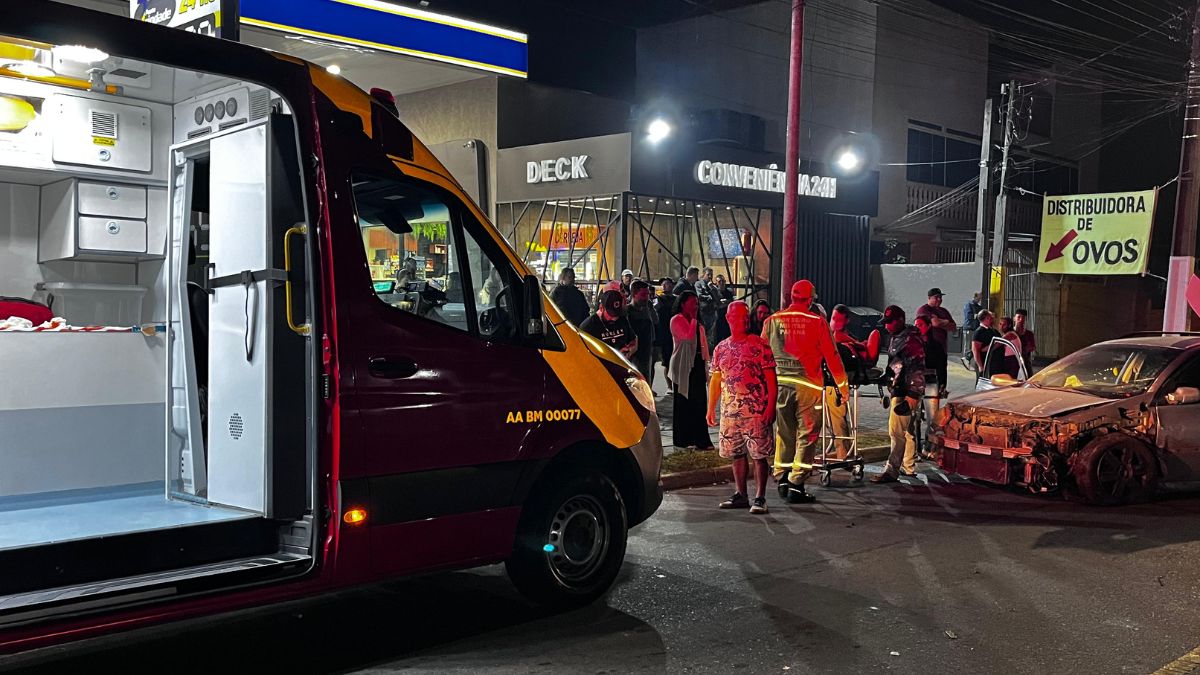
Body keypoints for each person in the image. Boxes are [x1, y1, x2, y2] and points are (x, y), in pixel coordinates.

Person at [761, 280, 848, 503]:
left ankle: (782, 476)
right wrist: (842, 386)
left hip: (780, 385)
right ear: (810, 300)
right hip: (808, 386)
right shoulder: (817, 322)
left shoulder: (772, 321)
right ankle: (796, 483)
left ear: (791, 297)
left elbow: (761, 354)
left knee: (784, 433)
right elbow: (832, 356)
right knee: (807, 435)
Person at [707, 301, 777, 514]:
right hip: (730, 412)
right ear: (729, 318)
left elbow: (771, 379)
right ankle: (741, 494)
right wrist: (711, 408)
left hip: (755, 411)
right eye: (740, 317)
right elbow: (716, 380)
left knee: (759, 455)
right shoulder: (721, 348)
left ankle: (760, 497)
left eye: (746, 317)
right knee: (736, 454)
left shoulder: (759, 345)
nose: (745, 321)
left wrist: (770, 407)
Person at [871, 305, 925, 483]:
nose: (887, 326)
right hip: (900, 389)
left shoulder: (910, 340)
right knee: (907, 432)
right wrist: (887, 377)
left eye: (890, 322)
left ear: (900, 320)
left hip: (905, 391)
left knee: (896, 432)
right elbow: (896, 363)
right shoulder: (897, 337)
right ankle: (908, 466)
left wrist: (912, 396)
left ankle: (891, 470)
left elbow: (917, 368)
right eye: (885, 322)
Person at [670, 290, 713, 450]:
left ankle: (701, 439)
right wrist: (693, 319)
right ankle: (683, 438)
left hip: (698, 363)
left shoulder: (698, 323)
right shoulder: (677, 320)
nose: (695, 305)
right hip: (683, 364)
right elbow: (687, 338)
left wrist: (707, 361)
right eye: (692, 302)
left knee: (699, 401)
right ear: (683, 304)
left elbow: (703, 344)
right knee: (683, 402)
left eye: (697, 303)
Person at [914, 315, 946, 451]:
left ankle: (929, 446)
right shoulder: (912, 343)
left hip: (931, 381)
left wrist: (943, 384)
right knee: (914, 416)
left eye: (920, 325)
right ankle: (915, 447)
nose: (917, 328)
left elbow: (942, 365)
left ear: (928, 326)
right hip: (915, 382)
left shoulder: (936, 345)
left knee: (932, 417)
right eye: (916, 325)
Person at [580, 289, 637, 360]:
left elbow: (633, 339)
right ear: (601, 308)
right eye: (611, 314)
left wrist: (630, 350)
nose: (615, 318)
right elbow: (584, 355)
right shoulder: (588, 326)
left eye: (617, 313)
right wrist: (616, 355)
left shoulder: (622, 319)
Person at [626, 280, 658, 382]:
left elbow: (656, 321)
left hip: (647, 351)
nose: (646, 297)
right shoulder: (627, 312)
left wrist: (651, 309)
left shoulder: (647, 309)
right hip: (634, 355)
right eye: (643, 295)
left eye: (648, 294)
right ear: (634, 294)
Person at [653, 278, 676, 387]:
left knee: (675, 360)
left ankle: (675, 385)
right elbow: (655, 310)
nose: (666, 286)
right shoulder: (658, 299)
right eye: (664, 284)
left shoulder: (676, 299)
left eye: (668, 283)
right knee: (667, 361)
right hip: (664, 332)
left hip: (675, 332)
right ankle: (669, 386)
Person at [972, 310, 1003, 376]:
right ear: (987, 318)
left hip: (995, 365)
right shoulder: (979, 332)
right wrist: (981, 366)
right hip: (986, 365)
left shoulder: (993, 330)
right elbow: (975, 350)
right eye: (991, 317)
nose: (993, 319)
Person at [709, 274, 736, 347]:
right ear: (716, 283)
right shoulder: (715, 292)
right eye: (719, 281)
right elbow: (715, 304)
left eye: (723, 281)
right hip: (718, 319)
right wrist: (723, 303)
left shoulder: (729, 292)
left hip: (727, 319)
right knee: (718, 338)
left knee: (728, 338)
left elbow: (731, 303)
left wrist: (726, 302)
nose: (721, 283)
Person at [1014, 308, 1036, 373]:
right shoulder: (1010, 333)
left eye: (1023, 318)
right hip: (1012, 363)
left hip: (1025, 363)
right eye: (1019, 317)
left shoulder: (1029, 334)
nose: (1021, 319)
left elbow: (1033, 347)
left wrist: (1026, 350)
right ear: (1014, 318)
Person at [962, 292, 983, 359]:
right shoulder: (969, 305)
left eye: (980, 299)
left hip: (975, 328)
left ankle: (970, 358)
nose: (979, 300)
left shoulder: (979, 307)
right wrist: (978, 315)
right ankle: (966, 358)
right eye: (978, 298)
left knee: (972, 345)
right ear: (975, 297)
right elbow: (968, 316)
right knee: (967, 345)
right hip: (969, 327)